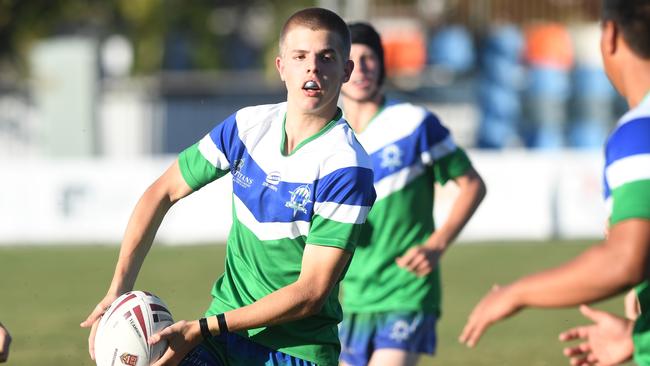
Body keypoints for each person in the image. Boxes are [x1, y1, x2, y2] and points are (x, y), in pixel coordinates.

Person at [81, 7, 376, 366]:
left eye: (326, 57)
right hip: (222, 337)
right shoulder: (246, 128)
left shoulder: (347, 166)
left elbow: (310, 293)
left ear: (346, 70)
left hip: (295, 352)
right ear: (281, 67)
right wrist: (117, 290)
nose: (312, 67)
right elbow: (162, 192)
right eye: (300, 57)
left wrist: (202, 329)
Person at [460, 1, 650, 365]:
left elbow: (625, 262)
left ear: (610, 35)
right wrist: (636, 336)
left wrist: (516, 293)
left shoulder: (640, 131)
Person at [338, 22, 486, 366]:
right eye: (352, 60)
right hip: (353, 296)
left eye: (370, 58)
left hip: (408, 288)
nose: (361, 69)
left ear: (382, 64)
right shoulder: (331, 137)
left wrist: (437, 244)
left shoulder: (413, 123)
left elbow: (472, 184)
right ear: (340, 68)